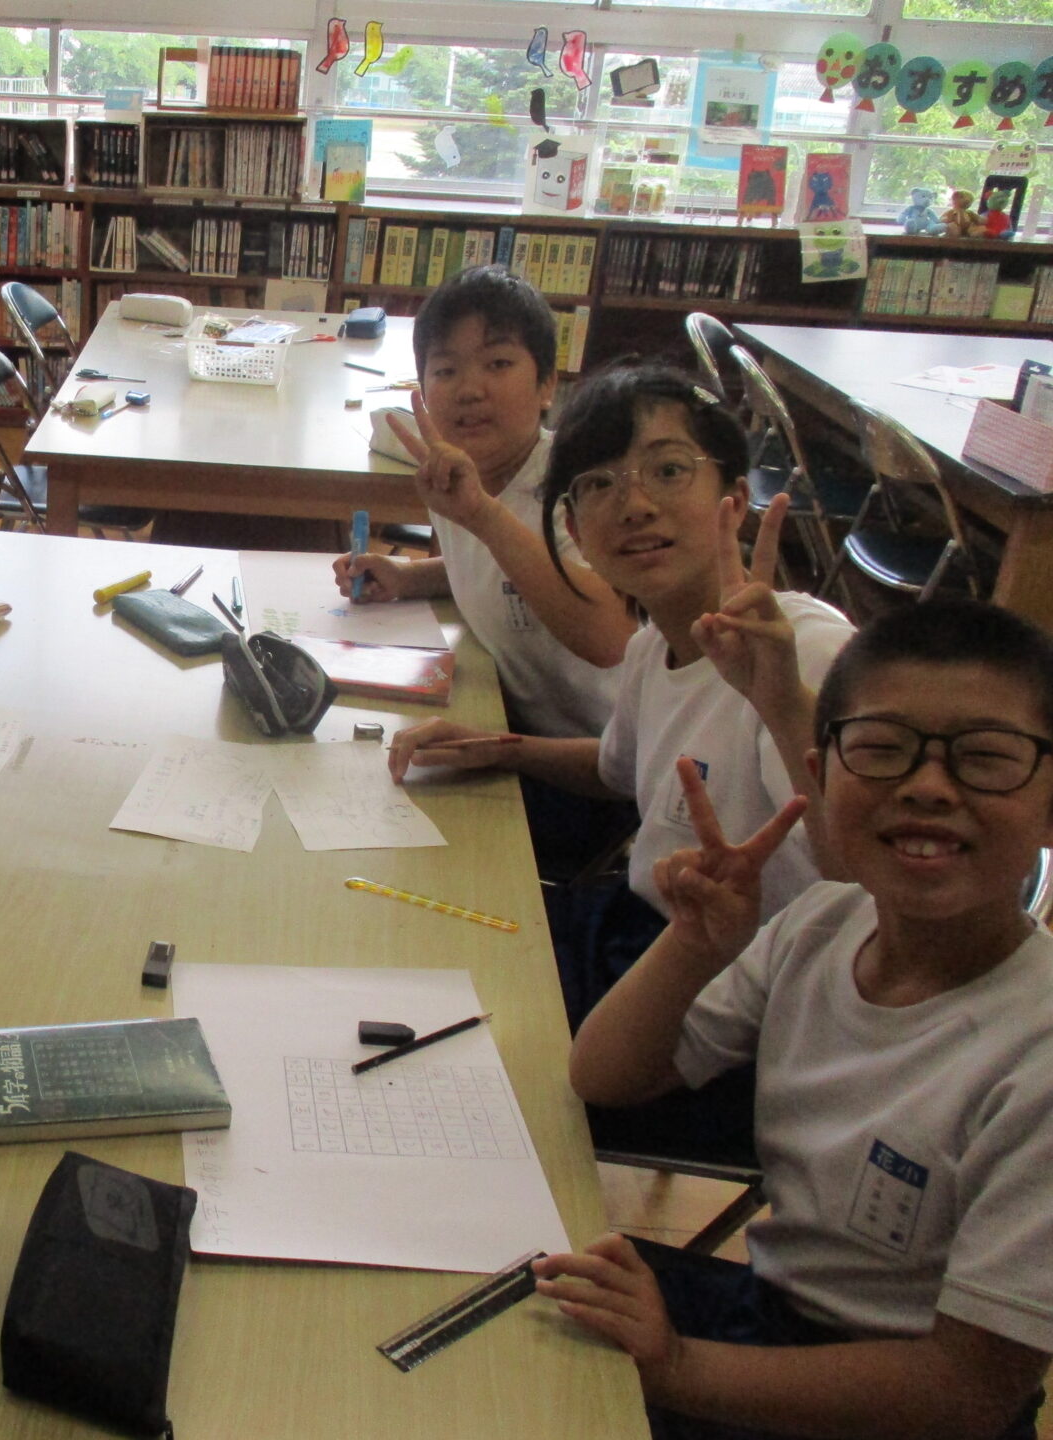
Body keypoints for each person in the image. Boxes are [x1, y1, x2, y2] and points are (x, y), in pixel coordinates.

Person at [534, 600, 1053, 1440]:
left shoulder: (1036, 1052)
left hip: (890, 1403)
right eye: (881, 749)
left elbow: (967, 1393)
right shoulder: (822, 922)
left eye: (986, 759)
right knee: (509, 1309)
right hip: (767, 1313)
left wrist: (677, 1367)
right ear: (822, 775)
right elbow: (604, 1077)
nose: (928, 786)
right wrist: (692, 947)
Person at [389, 363, 854, 1156]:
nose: (635, 505)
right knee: (420, 949)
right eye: (599, 485)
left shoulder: (805, 652)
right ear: (574, 525)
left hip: (739, 1004)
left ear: (734, 500)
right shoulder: (652, 647)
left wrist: (779, 701)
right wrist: (500, 748)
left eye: (669, 471)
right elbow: (613, 770)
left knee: (452, 1087)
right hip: (639, 932)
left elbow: (867, 875)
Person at [330, 267, 638, 878]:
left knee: (388, 843)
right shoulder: (463, 472)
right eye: (446, 370)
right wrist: (411, 576)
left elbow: (608, 637)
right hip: (512, 722)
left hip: (604, 781)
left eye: (498, 364)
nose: (469, 390)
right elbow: (503, 571)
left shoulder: (576, 489)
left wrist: (479, 514)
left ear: (547, 384)